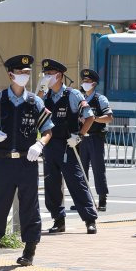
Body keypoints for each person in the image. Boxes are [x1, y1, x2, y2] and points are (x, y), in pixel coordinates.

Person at [0, 55, 54, 267]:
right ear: (10, 75)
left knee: (30, 206)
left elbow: (47, 130)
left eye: (27, 73)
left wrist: (40, 144)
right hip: (4, 161)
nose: (24, 76)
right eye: (20, 73)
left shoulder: (35, 101)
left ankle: (29, 251)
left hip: (27, 161)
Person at [39, 58, 99, 234]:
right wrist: (40, 92)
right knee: (52, 184)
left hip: (68, 145)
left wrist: (79, 136)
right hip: (50, 145)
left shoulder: (72, 95)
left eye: (49, 74)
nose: (46, 77)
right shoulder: (45, 96)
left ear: (59, 75)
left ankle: (89, 219)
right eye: (45, 74)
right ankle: (58, 220)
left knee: (76, 182)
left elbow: (90, 117)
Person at [76, 69, 113, 212]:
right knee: (81, 170)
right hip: (82, 138)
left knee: (98, 169)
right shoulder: (81, 99)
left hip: (96, 137)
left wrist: (93, 119)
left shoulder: (100, 99)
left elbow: (109, 117)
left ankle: (102, 199)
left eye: (88, 81)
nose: (85, 84)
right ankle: (83, 199)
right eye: (83, 81)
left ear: (94, 83)